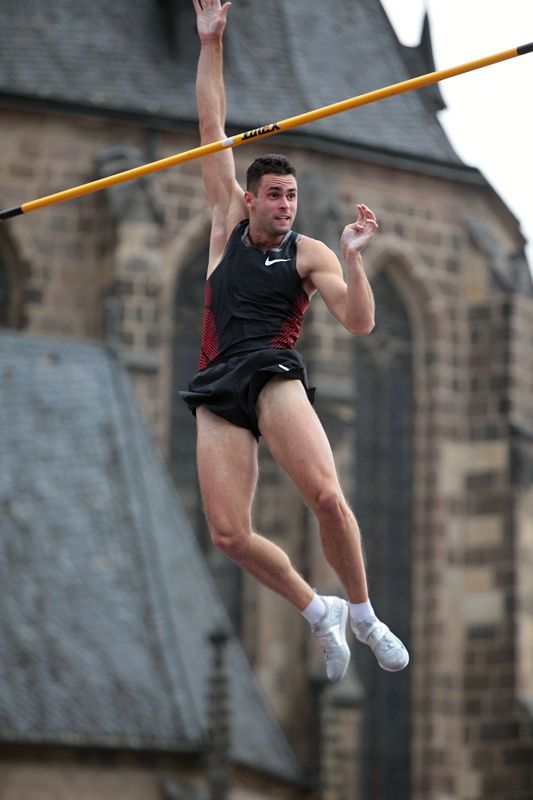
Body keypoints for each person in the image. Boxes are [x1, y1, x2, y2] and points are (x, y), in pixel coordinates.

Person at [182, 0, 409, 682]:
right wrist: (211, 41)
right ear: (249, 198)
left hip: (272, 375)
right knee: (228, 534)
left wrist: (356, 259)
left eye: (292, 196)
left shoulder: (309, 252)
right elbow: (212, 125)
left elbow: (360, 322)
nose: (285, 205)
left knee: (327, 497)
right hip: (217, 382)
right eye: (275, 195)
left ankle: (364, 614)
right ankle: (320, 611)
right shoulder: (225, 222)